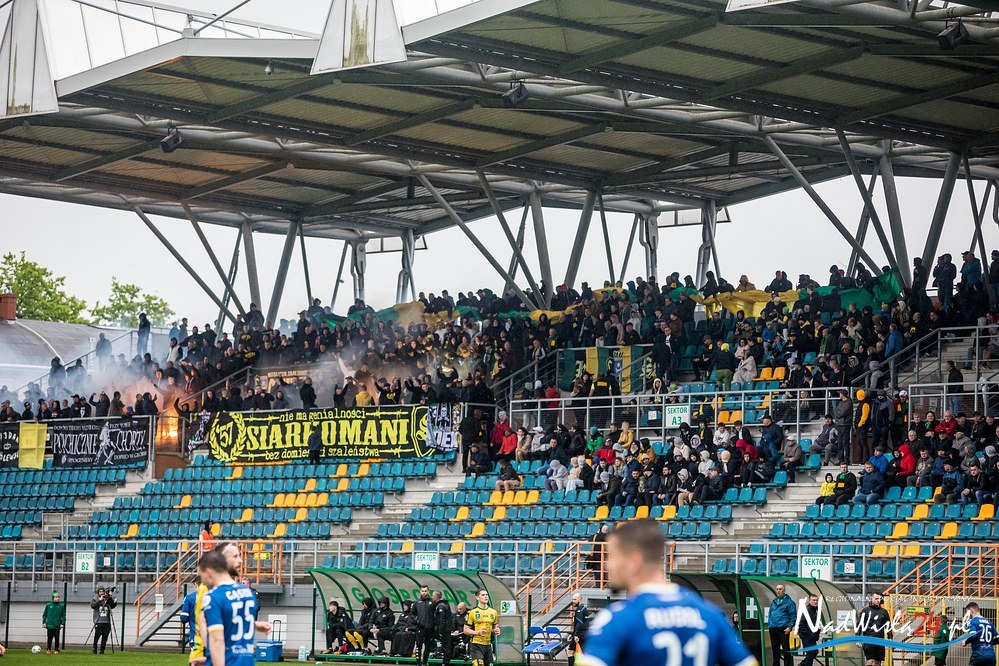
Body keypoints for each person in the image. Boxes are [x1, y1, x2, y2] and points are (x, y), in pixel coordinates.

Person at [581, 520, 755, 666]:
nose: (606, 565)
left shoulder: (618, 619)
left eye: (612, 557)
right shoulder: (709, 614)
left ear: (634, 562)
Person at [200, 549, 270, 666]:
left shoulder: (214, 597)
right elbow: (234, 621)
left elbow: (217, 640)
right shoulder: (246, 592)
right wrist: (254, 624)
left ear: (209, 572)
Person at [464, 589, 500, 666]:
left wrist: (496, 630)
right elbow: (465, 630)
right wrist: (477, 633)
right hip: (476, 645)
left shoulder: (493, 612)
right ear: (477, 597)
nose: (486, 597)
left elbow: (495, 626)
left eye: (486, 595)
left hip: (488, 645)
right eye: (483, 595)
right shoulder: (472, 612)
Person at [856, 593, 892, 666]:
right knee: (870, 661)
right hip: (868, 640)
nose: (878, 600)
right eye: (876, 598)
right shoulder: (865, 611)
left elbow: (888, 626)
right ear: (871, 599)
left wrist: (890, 638)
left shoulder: (884, 612)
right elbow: (859, 624)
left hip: (880, 640)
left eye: (879, 599)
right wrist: (857, 639)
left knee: (877, 663)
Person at [767, 584, 796, 666]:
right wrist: (770, 624)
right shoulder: (774, 602)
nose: (778, 591)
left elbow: (793, 616)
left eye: (780, 589)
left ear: (784, 590)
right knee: (775, 650)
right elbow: (770, 613)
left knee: (786, 649)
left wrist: (790, 627)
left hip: (783, 628)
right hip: (773, 628)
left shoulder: (789, 602)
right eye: (777, 589)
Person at [964, 602, 998, 666]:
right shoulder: (989, 622)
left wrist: (965, 642)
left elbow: (973, 635)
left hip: (978, 655)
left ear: (970, 611)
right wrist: (988, 642)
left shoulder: (972, 622)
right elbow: (997, 639)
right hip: (991, 656)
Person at [795, 594, 821, 666]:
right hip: (806, 635)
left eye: (816, 600)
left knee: (814, 651)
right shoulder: (807, 610)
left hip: (811, 635)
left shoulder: (815, 609)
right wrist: (808, 634)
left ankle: (802, 664)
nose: (815, 602)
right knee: (811, 652)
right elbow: (801, 623)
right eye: (813, 600)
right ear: (809, 601)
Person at [91, 585, 117, 654]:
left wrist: (110, 597)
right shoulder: (95, 599)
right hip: (98, 621)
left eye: (102, 591)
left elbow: (113, 605)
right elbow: (92, 606)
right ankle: (94, 648)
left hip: (106, 621)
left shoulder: (107, 599)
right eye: (100, 591)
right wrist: (99, 600)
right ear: (98, 592)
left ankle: (102, 650)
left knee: (105, 636)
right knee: (97, 635)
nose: (101, 593)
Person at [414, 584, 435, 665]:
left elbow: (436, 614)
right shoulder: (417, 602)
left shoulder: (432, 602)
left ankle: (425, 662)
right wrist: (417, 620)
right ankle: (418, 662)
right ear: (420, 592)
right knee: (418, 646)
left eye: (425, 591)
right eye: (422, 591)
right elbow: (412, 614)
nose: (424, 593)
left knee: (428, 646)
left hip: (430, 628)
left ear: (428, 591)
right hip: (420, 628)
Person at [567, 593, 590, 666]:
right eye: (572, 599)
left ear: (579, 600)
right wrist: (572, 634)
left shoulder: (579, 609)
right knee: (584, 653)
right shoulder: (584, 608)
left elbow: (579, 623)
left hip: (580, 634)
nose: (573, 601)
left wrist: (575, 635)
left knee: (570, 652)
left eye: (575, 599)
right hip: (584, 633)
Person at [432, 591, 453, 666]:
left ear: (436, 597)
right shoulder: (442, 605)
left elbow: (441, 619)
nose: (432, 597)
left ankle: (446, 662)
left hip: (445, 630)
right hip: (446, 629)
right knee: (445, 645)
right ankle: (445, 660)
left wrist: (440, 631)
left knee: (446, 646)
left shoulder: (441, 606)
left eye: (433, 595)